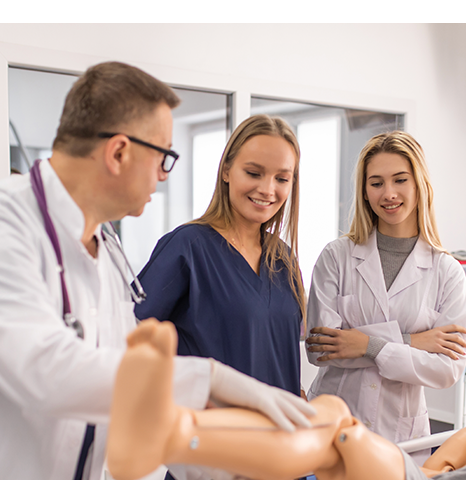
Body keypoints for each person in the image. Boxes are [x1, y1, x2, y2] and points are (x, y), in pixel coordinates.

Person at [0, 61, 314, 480]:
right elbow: (45, 371)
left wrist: (210, 463)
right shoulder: (10, 222)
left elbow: (127, 377)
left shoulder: (106, 251)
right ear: (119, 152)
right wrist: (209, 378)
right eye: (164, 157)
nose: (164, 178)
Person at [106, 319, 466, 480]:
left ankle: (167, 434)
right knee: (336, 419)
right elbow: (446, 457)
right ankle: (165, 434)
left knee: (340, 436)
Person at [303, 131, 466, 444]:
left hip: (400, 434)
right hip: (332, 423)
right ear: (365, 191)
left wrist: (369, 345)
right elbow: (320, 350)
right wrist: (414, 341)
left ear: (419, 185)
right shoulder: (336, 256)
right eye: (376, 182)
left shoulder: (447, 272)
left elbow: (446, 370)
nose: (389, 193)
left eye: (400, 180)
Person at [134, 114, 307, 398]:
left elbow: (277, 353)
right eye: (253, 173)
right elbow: (131, 341)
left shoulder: (283, 259)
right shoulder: (187, 247)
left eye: (282, 178)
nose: (267, 189)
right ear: (226, 171)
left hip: (281, 434)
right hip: (211, 433)